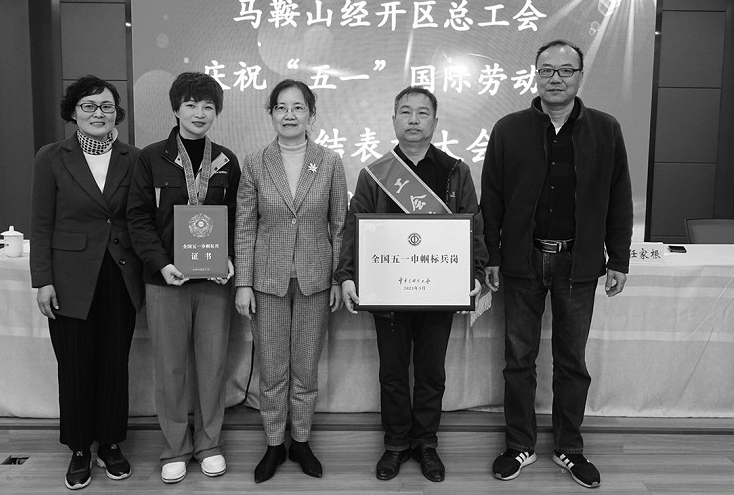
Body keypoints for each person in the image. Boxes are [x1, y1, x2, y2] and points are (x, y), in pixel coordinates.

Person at [481, 39, 633, 489]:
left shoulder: (605, 129)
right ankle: (519, 445)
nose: (556, 78)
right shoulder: (509, 129)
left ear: (580, 76)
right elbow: (493, 198)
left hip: (578, 262)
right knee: (518, 360)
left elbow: (619, 198)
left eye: (566, 71)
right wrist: (492, 255)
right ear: (535, 75)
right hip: (522, 261)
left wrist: (619, 258)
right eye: (547, 70)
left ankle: (569, 447)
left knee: (571, 361)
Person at [336, 86, 487, 483]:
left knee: (431, 371)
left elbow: (473, 224)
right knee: (392, 371)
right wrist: (347, 275)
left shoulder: (456, 171)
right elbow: (354, 227)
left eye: (422, 113)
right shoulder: (375, 174)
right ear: (393, 120)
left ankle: (426, 443)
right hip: (387, 291)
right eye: (405, 112)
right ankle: (396, 443)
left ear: (435, 122)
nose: (414, 119)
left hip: (439, 290)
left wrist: (474, 272)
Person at [30, 75, 145, 490]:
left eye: (107, 106)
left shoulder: (134, 158)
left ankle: (110, 443)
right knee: (75, 365)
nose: (99, 113)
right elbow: (40, 223)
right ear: (74, 112)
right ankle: (79, 448)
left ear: (117, 113)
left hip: (119, 273)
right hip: (69, 277)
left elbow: (140, 218)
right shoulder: (51, 157)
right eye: (89, 106)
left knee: (114, 363)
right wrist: (42, 280)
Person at [127, 72, 241, 484]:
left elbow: (237, 218)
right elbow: (138, 218)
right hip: (166, 281)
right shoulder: (150, 158)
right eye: (191, 104)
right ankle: (175, 447)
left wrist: (229, 258)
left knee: (212, 366)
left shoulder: (226, 160)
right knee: (170, 366)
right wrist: (160, 263)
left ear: (216, 112)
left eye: (208, 106)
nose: (199, 113)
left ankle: (209, 444)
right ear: (176, 109)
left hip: (213, 282)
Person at [234, 79, 348, 483]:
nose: (289, 115)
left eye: (298, 107)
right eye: (281, 107)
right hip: (267, 281)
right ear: (271, 114)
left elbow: (339, 225)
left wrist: (338, 279)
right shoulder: (255, 162)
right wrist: (243, 282)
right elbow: (245, 225)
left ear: (311, 114)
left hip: (316, 281)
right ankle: (272, 444)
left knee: (305, 367)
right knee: (272, 368)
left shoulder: (330, 161)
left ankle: (300, 440)